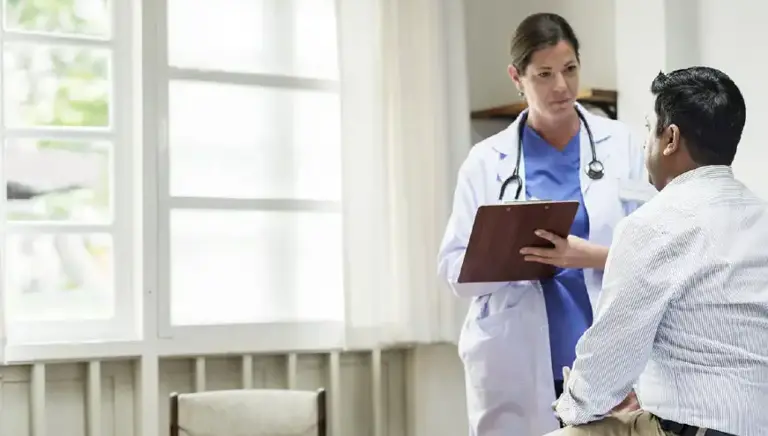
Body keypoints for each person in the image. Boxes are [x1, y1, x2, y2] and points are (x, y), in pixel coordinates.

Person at [436, 12, 656, 436]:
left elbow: (651, 253)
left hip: (602, 356)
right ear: (517, 77)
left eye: (570, 69)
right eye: (544, 74)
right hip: (515, 359)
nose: (561, 86)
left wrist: (584, 255)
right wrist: (505, 255)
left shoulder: (621, 144)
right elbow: (453, 270)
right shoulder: (485, 161)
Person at [549, 66, 768, 436]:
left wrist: (568, 407)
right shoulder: (760, 215)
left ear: (670, 138)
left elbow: (606, 363)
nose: (644, 143)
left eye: (650, 128)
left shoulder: (652, 224)